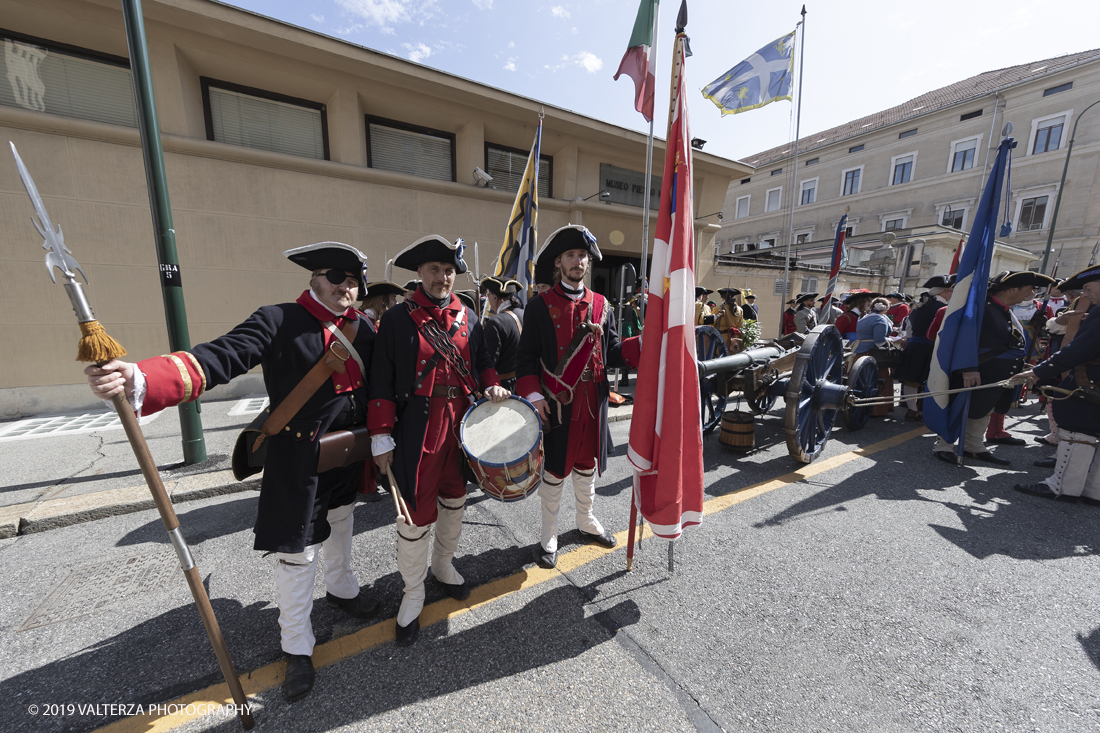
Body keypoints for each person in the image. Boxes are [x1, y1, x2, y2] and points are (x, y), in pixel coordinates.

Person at [84, 242, 380, 703]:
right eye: (338, 277)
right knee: (299, 552)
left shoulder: (363, 329)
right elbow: (216, 357)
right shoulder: (277, 319)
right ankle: (297, 646)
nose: (348, 287)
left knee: (343, 518)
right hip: (298, 459)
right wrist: (140, 379)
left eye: (354, 279)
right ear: (313, 279)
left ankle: (342, 588)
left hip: (347, 451)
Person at [368, 235, 509, 646]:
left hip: (462, 423)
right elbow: (381, 377)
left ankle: (444, 566)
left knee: (454, 497)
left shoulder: (468, 315)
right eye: (435, 270)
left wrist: (493, 385)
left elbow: (483, 363)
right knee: (414, 512)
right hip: (418, 426)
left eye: (449, 271)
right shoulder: (397, 319)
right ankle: (413, 593)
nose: (443, 277)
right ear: (419, 274)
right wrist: (380, 434)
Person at [516, 225, 640, 569]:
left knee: (587, 466)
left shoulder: (601, 305)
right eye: (570, 255)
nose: (577, 261)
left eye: (583, 256)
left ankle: (585, 520)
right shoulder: (540, 306)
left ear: (588, 262)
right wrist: (534, 395)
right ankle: (549, 534)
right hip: (558, 403)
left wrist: (643, 344)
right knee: (555, 471)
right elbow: (526, 360)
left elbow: (612, 351)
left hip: (594, 402)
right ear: (559, 263)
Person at [930, 270, 1054, 465]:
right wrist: (968, 368)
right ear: (1013, 289)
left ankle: (973, 446)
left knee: (984, 409)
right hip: (977, 370)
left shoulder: (1004, 309)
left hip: (996, 370)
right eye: (1029, 289)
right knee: (959, 407)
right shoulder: (981, 308)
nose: (1032, 293)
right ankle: (943, 446)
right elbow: (965, 338)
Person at [1014, 264, 1100, 505]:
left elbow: (1079, 350)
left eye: (1088, 287)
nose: (1086, 294)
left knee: (1077, 430)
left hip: (1090, 382)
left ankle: (1062, 486)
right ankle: (1094, 491)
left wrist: (1039, 372)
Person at [898, 276, 953, 421]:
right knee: (931, 381)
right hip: (932, 346)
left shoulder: (918, 306)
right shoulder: (944, 309)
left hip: (914, 345)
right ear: (946, 291)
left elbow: (909, 328)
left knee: (912, 380)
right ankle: (925, 411)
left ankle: (912, 410)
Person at [854, 297, 901, 416]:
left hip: (860, 352)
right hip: (874, 354)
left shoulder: (863, 318)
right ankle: (876, 410)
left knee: (860, 380)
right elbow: (879, 341)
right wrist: (891, 339)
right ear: (886, 308)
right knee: (879, 379)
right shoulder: (880, 319)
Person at [481, 276, 525, 392]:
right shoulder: (525, 314)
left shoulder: (495, 323)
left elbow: (488, 362)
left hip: (503, 388)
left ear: (495, 297)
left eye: (488, 295)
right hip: (525, 383)